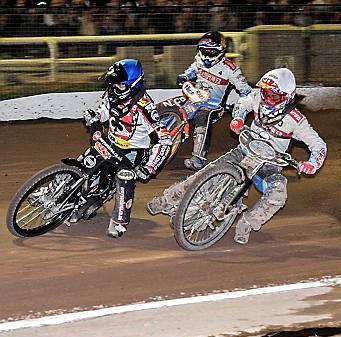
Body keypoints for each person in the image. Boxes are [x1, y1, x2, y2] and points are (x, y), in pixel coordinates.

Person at [147, 68, 327, 245]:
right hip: (244, 150)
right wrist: (238, 118)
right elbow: (243, 103)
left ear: (287, 97)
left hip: (268, 165)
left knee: (278, 195)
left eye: (274, 96)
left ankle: (247, 223)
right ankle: (167, 199)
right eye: (265, 93)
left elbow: (318, 145)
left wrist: (312, 163)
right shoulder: (257, 98)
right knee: (205, 173)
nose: (267, 99)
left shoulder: (296, 121)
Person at [84, 58, 172, 238]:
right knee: (86, 160)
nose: (115, 88)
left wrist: (150, 167)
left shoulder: (145, 106)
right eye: (113, 84)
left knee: (124, 179)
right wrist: (95, 115)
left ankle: (119, 222)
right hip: (112, 142)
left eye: (120, 85)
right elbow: (104, 110)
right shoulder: (111, 93)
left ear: (134, 84)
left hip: (134, 152)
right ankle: (54, 190)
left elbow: (165, 140)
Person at [176, 31, 252, 171]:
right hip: (194, 97)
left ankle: (198, 158)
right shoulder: (198, 60)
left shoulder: (231, 69)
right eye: (204, 50)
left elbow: (246, 90)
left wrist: (241, 106)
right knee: (172, 107)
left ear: (220, 51)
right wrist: (183, 76)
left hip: (214, 105)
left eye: (211, 51)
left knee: (202, 117)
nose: (206, 53)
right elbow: (190, 72)